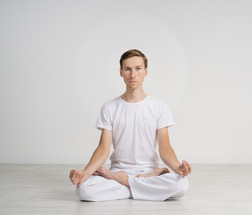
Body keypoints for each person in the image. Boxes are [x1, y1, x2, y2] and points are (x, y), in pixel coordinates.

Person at [69, 49, 191, 201]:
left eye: (138, 69)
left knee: (181, 185)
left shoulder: (160, 107)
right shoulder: (109, 107)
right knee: (83, 191)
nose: (133, 75)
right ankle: (142, 187)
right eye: (128, 69)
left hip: (144, 171)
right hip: (121, 171)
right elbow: (103, 148)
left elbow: (165, 148)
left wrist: (177, 167)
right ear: (121, 72)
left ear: (146, 72)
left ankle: (125, 183)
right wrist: (86, 172)